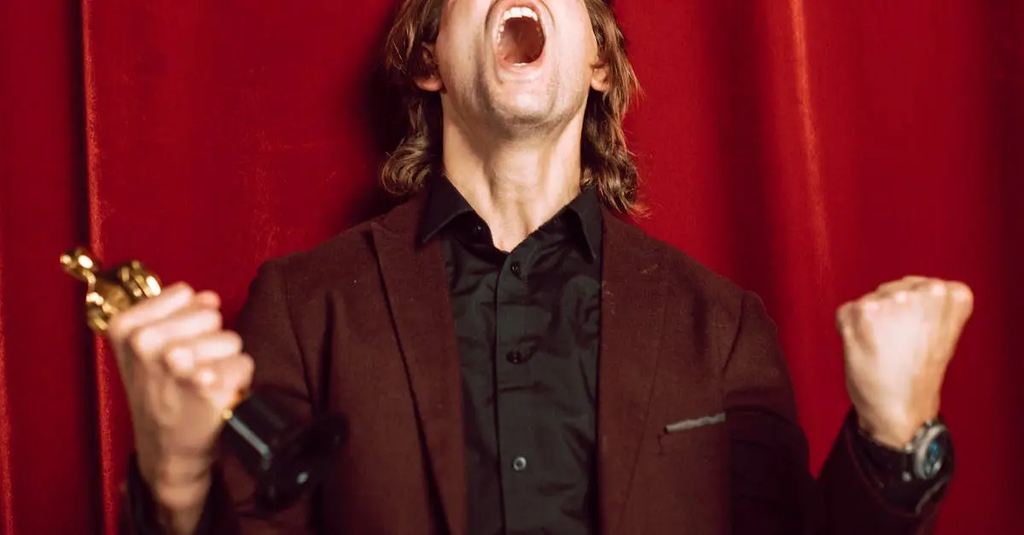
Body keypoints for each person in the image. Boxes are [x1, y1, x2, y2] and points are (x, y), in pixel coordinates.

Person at [113, 0, 974, 534]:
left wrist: (895, 441)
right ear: (427, 60)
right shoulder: (305, 307)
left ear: (599, 61)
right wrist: (172, 481)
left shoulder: (718, 323)